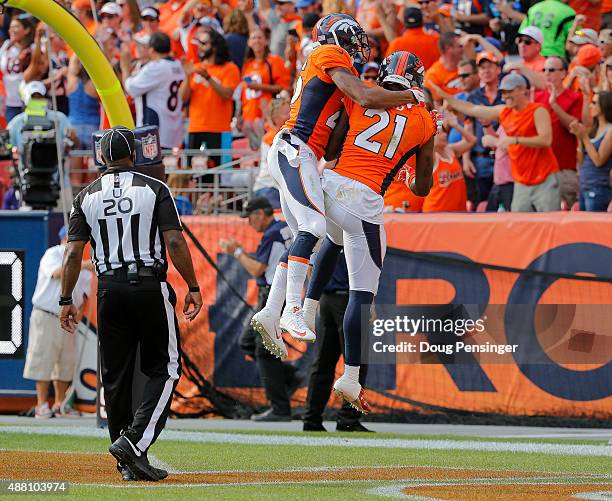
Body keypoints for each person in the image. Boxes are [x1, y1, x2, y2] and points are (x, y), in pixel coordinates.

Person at [251, 14, 421, 359]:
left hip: (309, 155)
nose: (359, 44)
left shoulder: (344, 75)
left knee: (306, 235)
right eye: (354, 37)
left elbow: (333, 145)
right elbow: (365, 96)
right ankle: (292, 310)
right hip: (294, 148)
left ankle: (270, 311)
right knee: (313, 226)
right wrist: (409, 97)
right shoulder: (327, 53)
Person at [59, 126, 203, 482]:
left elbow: (74, 252)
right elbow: (175, 242)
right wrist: (193, 285)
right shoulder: (155, 189)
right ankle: (134, 444)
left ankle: (128, 461)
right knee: (165, 369)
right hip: (148, 286)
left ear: (102, 159)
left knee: (116, 377)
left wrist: (66, 299)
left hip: (108, 289)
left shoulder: (85, 196)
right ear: (134, 155)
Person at [302, 51, 436, 411]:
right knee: (362, 292)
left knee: (332, 237)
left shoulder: (361, 96)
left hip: (329, 186)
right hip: (363, 201)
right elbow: (423, 188)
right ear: (417, 80)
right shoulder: (425, 120)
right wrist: (407, 162)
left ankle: (307, 307)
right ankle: (351, 377)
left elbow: (332, 147)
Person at [220, 197, 299, 422]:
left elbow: (257, 269)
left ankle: (280, 408)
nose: (249, 223)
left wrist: (236, 252)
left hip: (274, 295)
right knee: (248, 342)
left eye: (250, 217)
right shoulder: (282, 227)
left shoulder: (273, 232)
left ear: (261, 213)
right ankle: (292, 377)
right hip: (278, 293)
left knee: (264, 350)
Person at [432, 73, 560, 212]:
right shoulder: (504, 111)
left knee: (548, 225)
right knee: (520, 226)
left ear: (523, 90)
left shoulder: (537, 110)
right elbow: (473, 109)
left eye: (509, 91)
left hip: (544, 179)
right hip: (521, 181)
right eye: (503, 92)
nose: (505, 96)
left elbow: (546, 140)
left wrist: (514, 140)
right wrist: (446, 97)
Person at [23, 226, 93, 418]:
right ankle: (41, 404)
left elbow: (84, 294)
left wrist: (79, 312)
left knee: (65, 362)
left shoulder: (82, 262)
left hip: (67, 318)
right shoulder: (53, 253)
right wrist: (84, 264)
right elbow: (55, 273)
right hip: (46, 313)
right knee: (43, 358)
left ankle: (60, 404)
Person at [302, 252, 372, 432]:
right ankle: (348, 420)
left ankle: (311, 418)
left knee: (323, 363)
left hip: (326, 299)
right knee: (356, 362)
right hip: (350, 300)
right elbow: (366, 270)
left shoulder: (325, 232)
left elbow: (311, 267)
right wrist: (370, 303)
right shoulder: (358, 230)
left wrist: (315, 299)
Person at [179, 28, 240, 167]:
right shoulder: (196, 67)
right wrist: (188, 77)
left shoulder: (229, 68)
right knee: (193, 174)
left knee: (220, 175)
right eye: (198, 43)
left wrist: (208, 78)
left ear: (215, 46)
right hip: (195, 127)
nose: (199, 47)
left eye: (204, 43)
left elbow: (227, 94)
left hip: (219, 129)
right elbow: (183, 97)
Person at [123, 32, 186, 149]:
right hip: (172, 129)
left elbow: (131, 88)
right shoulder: (177, 65)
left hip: (153, 130)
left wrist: (125, 68)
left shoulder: (155, 67)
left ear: (151, 50)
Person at [534, 56, 583, 207]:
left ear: (563, 73)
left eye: (552, 70)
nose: (547, 73)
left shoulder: (575, 97)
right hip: (540, 169)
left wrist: (554, 105)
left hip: (564, 168)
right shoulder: (537, 97)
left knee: (566, 217)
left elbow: (575, 127)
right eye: (545, 70)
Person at [240, 28, 291, 151]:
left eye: (260, 37)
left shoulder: (274, 61)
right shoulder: (247, 64)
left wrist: (260, 87)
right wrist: (240, 113)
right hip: (249, 114)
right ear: (248, 42)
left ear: (266, 41)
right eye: (253, 38)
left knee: (267, 149)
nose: (257, 41)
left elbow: (284, 88)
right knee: (254, 151)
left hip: (267, 115)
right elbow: (244, 92)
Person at [464, 51, 503, 206]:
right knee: (482, 204)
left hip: (504, 156)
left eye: (490, 67)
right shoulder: (473, 97)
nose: (486, 71)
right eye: (482, 68)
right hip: (481, 158)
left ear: (498, 69)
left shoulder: (507, 93)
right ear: (478, 73)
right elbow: (469, 129)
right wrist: (466, 159)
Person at [423, 110, 472, 212]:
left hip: (457, 212)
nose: (445, 135)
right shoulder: (430, 156)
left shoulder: (450, 150)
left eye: (445, 132)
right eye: (440, 133)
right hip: (435, 213)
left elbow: (471, 141)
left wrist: (456, 125)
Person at [570, 91, 612, 211]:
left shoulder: (610, 131)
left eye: (594, 103)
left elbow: (599, 161)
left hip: (598, 188)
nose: (590, 106)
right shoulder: (593, 130)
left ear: (604, 106)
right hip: (584, 187)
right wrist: (579, 137)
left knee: (593, 228)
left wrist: (584, 137)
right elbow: (582, 161)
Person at [0, 15, 35, 121]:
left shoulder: (33, 48)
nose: (12, 30)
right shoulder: (6, 46)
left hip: (30, 100)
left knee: (31, 134)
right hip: (10, 102)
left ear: (27, 30)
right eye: (10, 27)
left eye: (16, 27)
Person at [424, 31, 463, 102]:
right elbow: (437, 105)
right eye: (460, 46)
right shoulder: (433, 75)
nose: (463, 49)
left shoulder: (466, 67)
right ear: (448, 48)